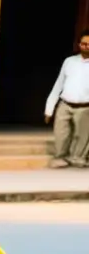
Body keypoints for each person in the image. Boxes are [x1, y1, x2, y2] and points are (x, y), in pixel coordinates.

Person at [44, 30, 89, 169]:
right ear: (79, 44)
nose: (86, 46)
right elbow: (58, 85)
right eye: (84, 43)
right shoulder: (69, 62)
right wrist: (49, 109)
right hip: (65, 104)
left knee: (83, 137)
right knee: (61, 134)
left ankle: (78, 158)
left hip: (85, 107)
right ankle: (59, 158)